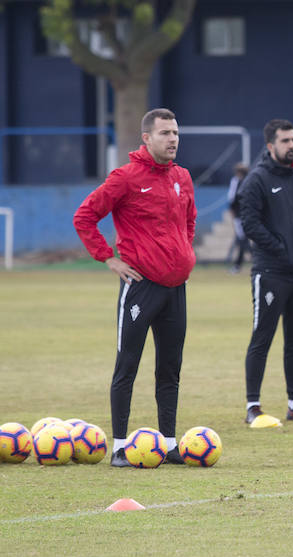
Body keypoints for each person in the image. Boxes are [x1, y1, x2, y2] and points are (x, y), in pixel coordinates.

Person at [73, 108, 196, 467]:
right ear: (146, 138)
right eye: (165, 133)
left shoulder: (183, 177)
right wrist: (108, 258)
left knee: (170, 368)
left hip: (176, 288)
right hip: (141, 286)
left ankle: (170, 444)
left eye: (175, 132)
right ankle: (119, 447)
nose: (173, 139)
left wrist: (184, 253)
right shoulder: (125, 178)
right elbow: (85, 216)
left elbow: (190, 220)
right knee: (127, 365)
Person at [238, 119, 293, 424]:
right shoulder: (257, 180)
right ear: (271, 145)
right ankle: (253, 406)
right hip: (271, 273)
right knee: (263, 337)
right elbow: (250, 224)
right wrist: (280, 249)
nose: (291, 146)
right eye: (285, 141)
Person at [226, 162, 250, 273]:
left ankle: (238, 265)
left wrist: (232, 210)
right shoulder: (249, 180)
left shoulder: (236, 181)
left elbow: (232, 197)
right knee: (244, 239)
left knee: (242, 239)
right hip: (247, 214)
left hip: (240, 215)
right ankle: (238, 264)